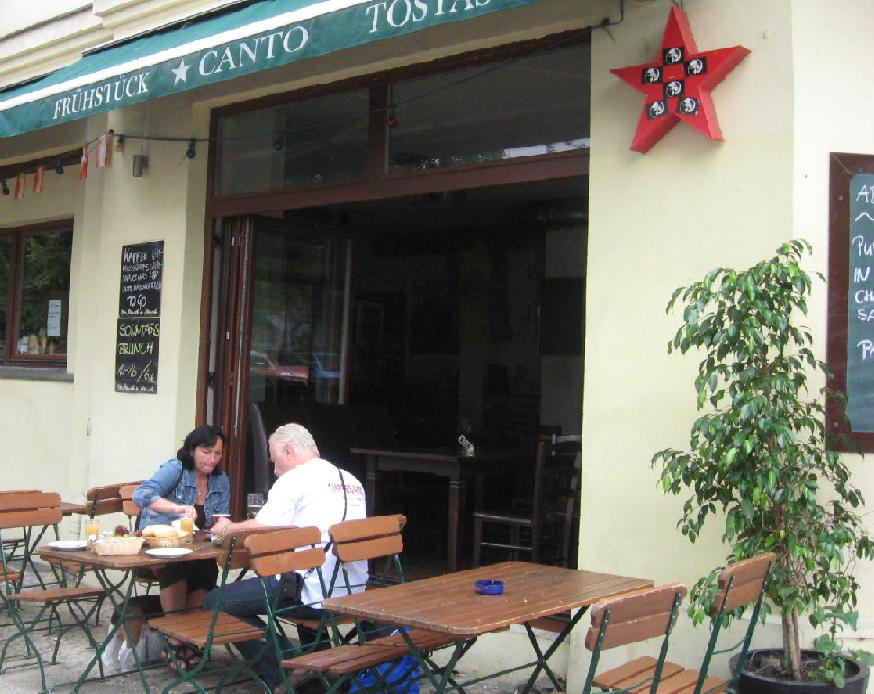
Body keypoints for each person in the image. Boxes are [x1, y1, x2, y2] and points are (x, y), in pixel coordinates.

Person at [206, 422, 367, 688]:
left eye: (274, 460)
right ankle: (317, 668)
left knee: (216, 601)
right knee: (298, 575)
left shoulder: (295, 479)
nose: (275, 470)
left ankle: (288, 670)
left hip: (312, 593)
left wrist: (227, 527)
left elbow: (263, 526)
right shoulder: (351, 480)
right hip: (352, 591)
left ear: (289, 450)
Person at [132, 424, 230, 670]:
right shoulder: (176, 469)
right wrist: (175, 508)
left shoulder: (221, 480)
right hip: (161, 546)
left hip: (196, 549)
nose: (212, 459)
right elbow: (141, 495)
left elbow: (219, 518)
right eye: (206, 452)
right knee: (176, 566)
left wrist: (223, 525)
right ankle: (175, 636)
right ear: (192, 450)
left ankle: (189, 634)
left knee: (207, 567)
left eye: (218, 453)